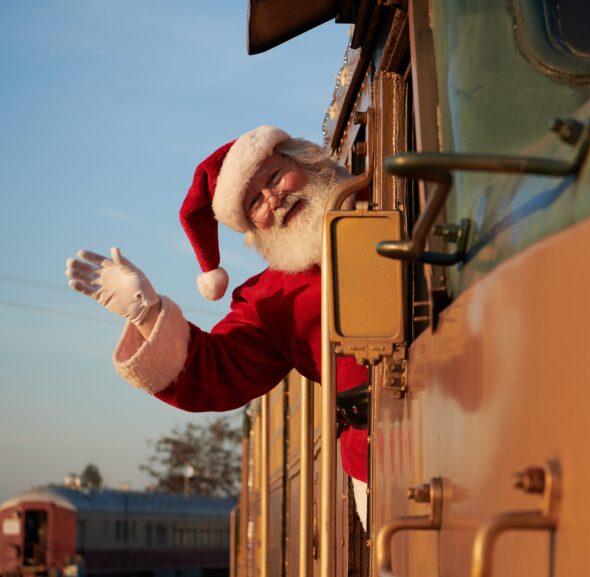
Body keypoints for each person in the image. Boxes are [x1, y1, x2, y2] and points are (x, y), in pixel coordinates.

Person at [64, 126, 369, 516]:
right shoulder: (269, 300)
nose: (273, 199)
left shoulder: (399, 192)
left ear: (306, 159)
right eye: (254, 203)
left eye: (275, 177)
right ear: (251, 228)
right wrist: (147, 312)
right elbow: (215, 371)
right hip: (380, 456)